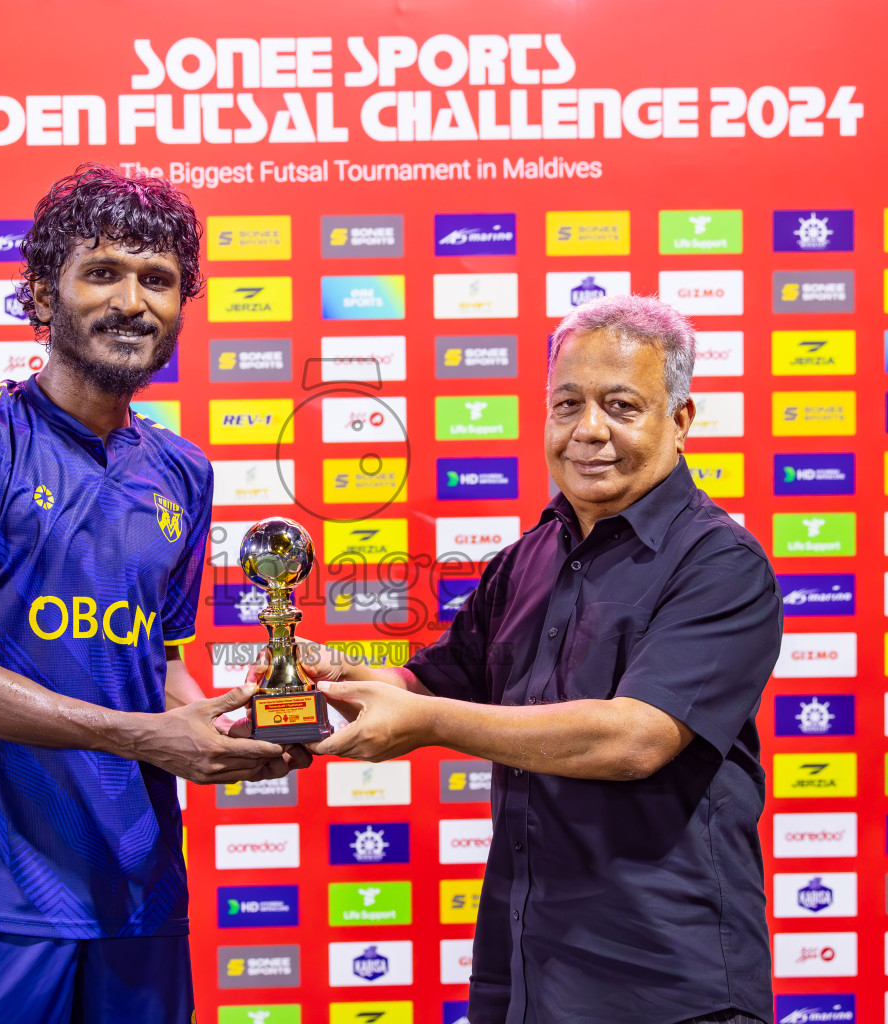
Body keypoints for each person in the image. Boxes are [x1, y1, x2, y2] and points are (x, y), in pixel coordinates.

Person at [0, 164, 305, 1023]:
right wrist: (145, 737)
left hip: (139, 897)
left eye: (158, 281)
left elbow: (157, 670)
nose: (133, 302)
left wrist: (234, 721)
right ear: (44, 293)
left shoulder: (183, 471)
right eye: (103, 272)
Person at [296, 294, 783, 1024]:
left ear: (680, 420)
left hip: (668, 984)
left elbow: (635, 737)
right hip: (525, 969)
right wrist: (332, 676)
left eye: (621, 405)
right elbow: (435, 679)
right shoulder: (528, 557)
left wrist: (423, 718)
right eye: (567, 405)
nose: (589, 431)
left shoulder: (720, 563)